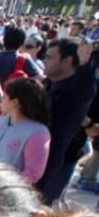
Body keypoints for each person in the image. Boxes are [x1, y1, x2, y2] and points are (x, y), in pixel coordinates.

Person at [37, 38, 97, 204]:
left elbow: (86, 89)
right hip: (35, 157)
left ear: (67, 61)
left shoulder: (76, 90)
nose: (44, 61)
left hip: (56, 163)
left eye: (49, 57)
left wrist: (85, 64)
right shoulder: (48, 83)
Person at [0, 77, 51, 183]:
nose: (1, 99)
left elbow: (33, 173)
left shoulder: (38, 133)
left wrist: (2, 183)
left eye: (5, 96)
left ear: (15, 102)